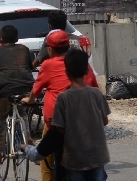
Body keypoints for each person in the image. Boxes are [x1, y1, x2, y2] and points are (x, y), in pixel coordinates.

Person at [22, 31, 99, 181]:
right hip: (86, 124)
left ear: (50, 50)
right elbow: (96, 91)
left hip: (56, 124)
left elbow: (36, 91)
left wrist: (30, 100)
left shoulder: (48, 64)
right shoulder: (82, 65)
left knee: (46, 158)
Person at [0, 24, 35, 167]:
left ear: (1, 39)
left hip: (5, 91)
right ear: (17, 38)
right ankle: (28, 139)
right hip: (26, 89)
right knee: (23, 113)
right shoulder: (24, 49)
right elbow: (30, 67)